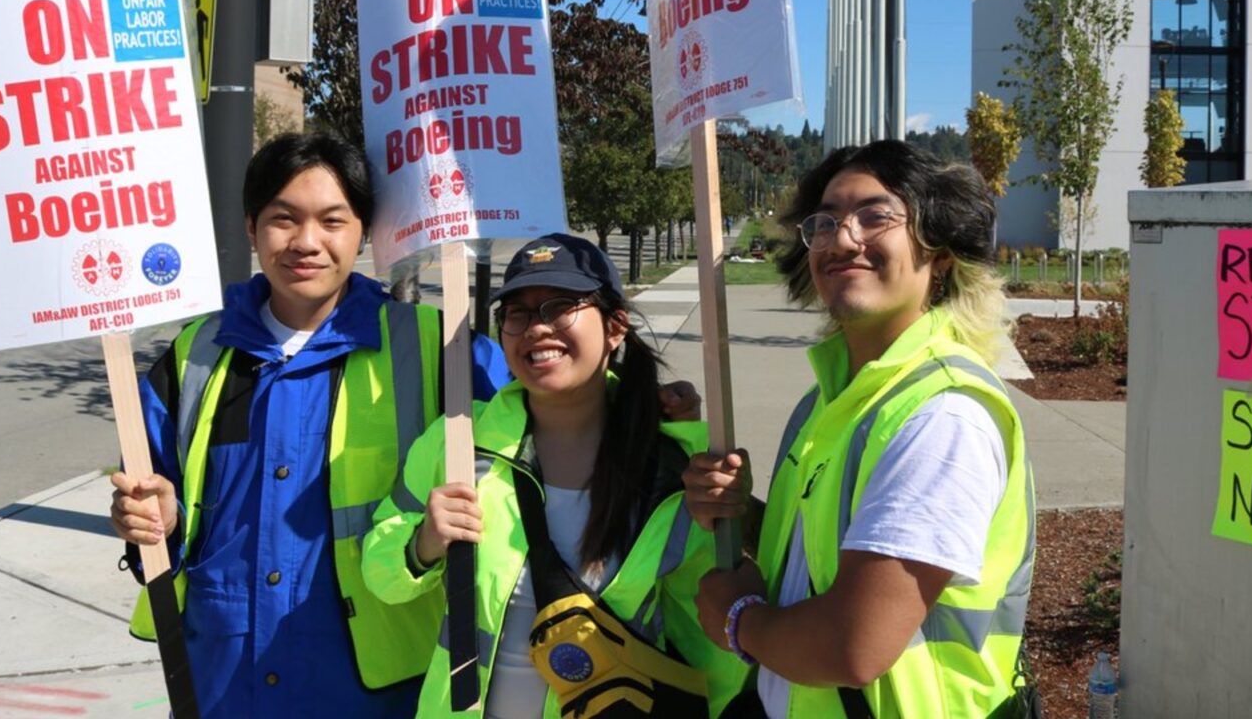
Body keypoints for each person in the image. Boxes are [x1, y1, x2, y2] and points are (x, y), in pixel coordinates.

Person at [108, 133, 511, 718]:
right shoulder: (194, 355)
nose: (306, 242)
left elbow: (545, 424)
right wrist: (152, 519)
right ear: (251, 227)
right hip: (222, 684)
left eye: (332, 221)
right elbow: (153, 495)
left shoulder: (439, 349)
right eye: (283, 219)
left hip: (376, 691)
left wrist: (651, 411)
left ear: (364, 232)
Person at [686, 140, 1035, 718]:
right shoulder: (829, 399)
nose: (842, 239)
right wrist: (739, 513)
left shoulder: (942, 415)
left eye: (875, 216)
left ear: (939, 254)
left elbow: (852, 646)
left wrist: (738, 620)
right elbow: (816, 565)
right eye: (824, 222)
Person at [364, 234, 751, 718]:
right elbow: (380, 574)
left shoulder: (678, 468)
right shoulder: (458, 442)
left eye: (561, 306)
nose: (537, 328)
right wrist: (421, 544)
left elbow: (711, 641)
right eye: (518, 313)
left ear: (615, 328)